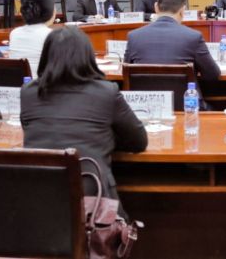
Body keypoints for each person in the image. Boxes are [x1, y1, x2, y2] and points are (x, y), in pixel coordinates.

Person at [21, 27, 148, 206]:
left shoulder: (28, 92)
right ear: (87, 56)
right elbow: (138, 141)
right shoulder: (106, 92)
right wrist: (104, 137)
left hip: (36, 198)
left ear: (46, 57)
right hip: (92, 199)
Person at [124, 0, 221, 81]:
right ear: (182, 11)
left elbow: (124, 72)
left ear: (156, 7)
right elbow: (212, 74)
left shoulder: (134, 36)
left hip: (145, 92)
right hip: (184, 92)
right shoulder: (193, 37)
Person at [8, 0, 56, 77]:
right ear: (50, 10)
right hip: (43, 85)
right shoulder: (52, 35)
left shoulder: (14, 33)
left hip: (21, 84)